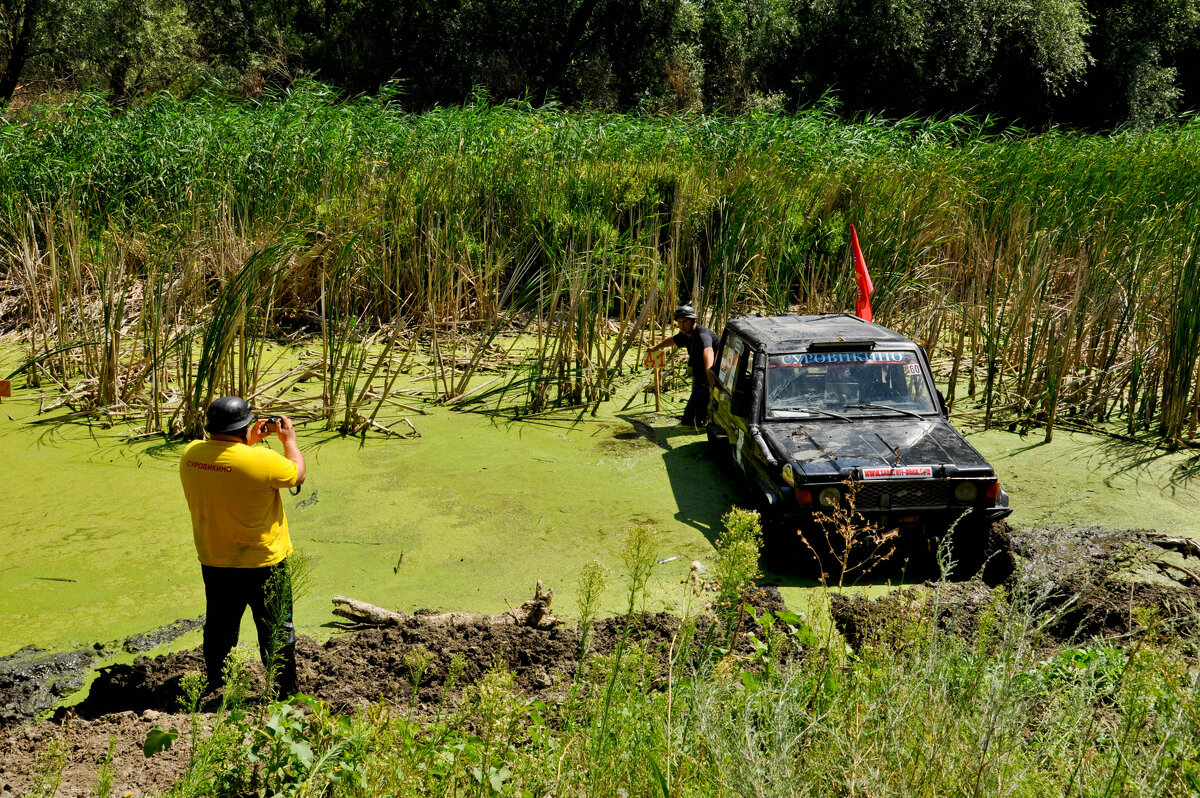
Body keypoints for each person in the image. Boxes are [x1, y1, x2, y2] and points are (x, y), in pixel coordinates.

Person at [179, 396, 306, 698]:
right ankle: (283, 692)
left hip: (215, 560)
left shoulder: (190, 455)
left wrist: (246, 441)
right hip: (264, 562)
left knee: (220, 628)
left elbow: (227, 464)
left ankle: (215, 684)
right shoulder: (263, 460)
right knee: (276, 630)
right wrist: (289, 440)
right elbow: (297, 473)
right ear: (245, 426)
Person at [648, 304, 718, 426]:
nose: (681, 325)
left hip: (710, 383)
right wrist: (656, 348)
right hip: (699, 381)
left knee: (692, 419)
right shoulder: (686, 334)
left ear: (692, 321)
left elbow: (708, 350)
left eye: (685, 321)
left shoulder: (702, 335)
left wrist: (709, 371)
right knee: (692, 419)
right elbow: (673, 340)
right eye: (679, 322)